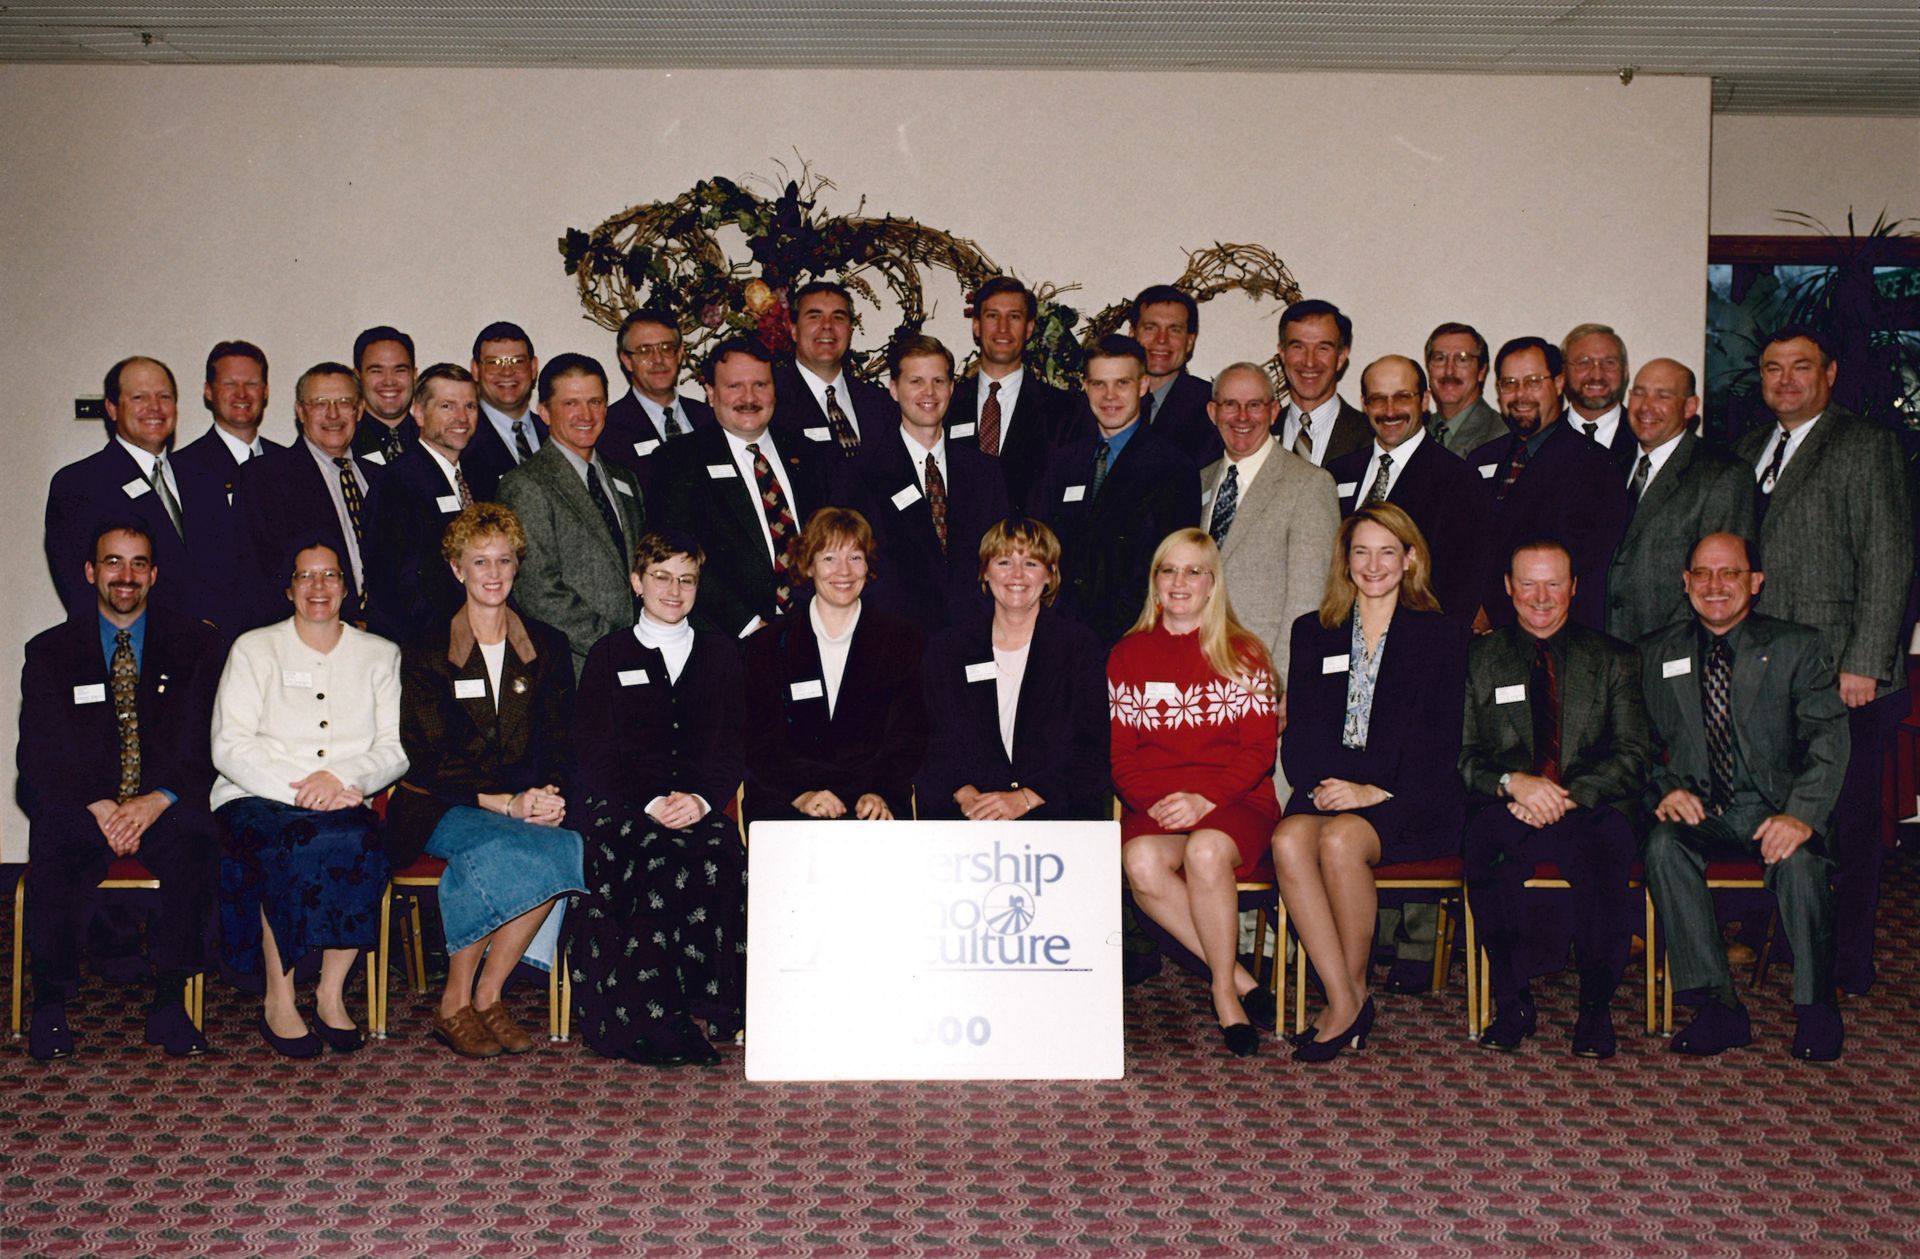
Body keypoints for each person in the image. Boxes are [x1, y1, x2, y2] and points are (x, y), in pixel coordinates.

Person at [1732, 324, 1914, 995]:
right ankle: (1785, 939)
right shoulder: (1752, 448)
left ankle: (1847, 962)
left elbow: (1889, 559)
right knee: (1786, 807)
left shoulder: (1866, 446)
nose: (1785, 380)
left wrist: (1866, 660)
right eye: (1773, 368)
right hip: (1770, 670)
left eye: (1800, 366)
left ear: (1830, 373)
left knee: (1851, 822)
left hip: (1846, 671)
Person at [18, 523, 224, 1060]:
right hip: (84, 802)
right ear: (91, 572)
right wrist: (102, 805)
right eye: (113, 562)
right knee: (53, 849)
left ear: (154, 575)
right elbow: (38, 754)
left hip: (164, 801)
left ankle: (169, 1001)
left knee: (199, 846)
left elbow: (206, 742)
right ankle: (51, 1006)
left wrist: (156, 800)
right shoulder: (49, 652)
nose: (125, 576)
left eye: (138, 564)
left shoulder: (197, 645)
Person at [1639, 533, 1850, 1060]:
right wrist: (1665, 791)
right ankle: (1718, 1007)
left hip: (1776, 808)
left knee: (1800, 863)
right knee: (1663, 846)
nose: (1715, 586)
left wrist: (1800, 815)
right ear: (1685, 582)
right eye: (1702, 574)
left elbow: (1828, 736)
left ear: (1755, 582)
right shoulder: (1653, 652)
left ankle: (1816, 1007)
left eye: (1729, 573)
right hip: (1699, 811)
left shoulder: (1797, 647)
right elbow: (1632, 744)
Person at [388, 502, 585, 1058]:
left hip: (520, 803)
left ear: (517, 566)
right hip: (441, 802)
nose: (493, 574)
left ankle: (490, 995)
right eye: (480, 562)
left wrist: (548, 793)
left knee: (565, 845)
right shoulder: (427, 649)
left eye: (503, 560)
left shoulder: (546, 645)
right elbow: (428, 755)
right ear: (458, 570)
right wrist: (507, 803)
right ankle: (454, 1001)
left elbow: (559, 738)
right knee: (501, 848)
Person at [1270, 504, 1467, 1061]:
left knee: (1339, 840)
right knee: (1288, 839)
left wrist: (1372, 791)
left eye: (1387, 551)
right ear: (1345, 561)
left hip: (1411, 797)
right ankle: (1347, 996)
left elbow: (1441, 739)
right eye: (1361, 552)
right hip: (1328, 787)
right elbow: (1302, 731)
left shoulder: (1440, 635)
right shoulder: (1314, 632)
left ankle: (1343, 1007)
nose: (1373, 564)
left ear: (1409, 560)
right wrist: (1325, 785)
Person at [211, 539, 408, 1058]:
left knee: (362, 841)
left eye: (330, 575)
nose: (318, 587)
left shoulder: (381, 654)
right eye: (306, 577)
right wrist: (302, 791)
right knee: (294, 844)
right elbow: (229, 745)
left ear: (347, 587)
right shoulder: (254, 648)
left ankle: (329, 994)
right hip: (255, 795)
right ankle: (280, 998)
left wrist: (343, 779)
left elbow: (395, 748)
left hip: (344, 798)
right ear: (288, 588)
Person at [1460, 539, 1648, 1059]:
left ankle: (1595, 1008)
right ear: (1507, 588)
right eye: (1527, 583)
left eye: (1553, 584)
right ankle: (1513, 1001)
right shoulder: (1478, 658)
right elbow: (1461, 756)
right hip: (1508, 803)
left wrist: (1564, 796)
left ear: (1574, 588)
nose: (1540, 597)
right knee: (1486, 847)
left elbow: (1634, 755)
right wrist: (1512, 784)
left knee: (1607, 849)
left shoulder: (1614, 659)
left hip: (1587, 804)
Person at [569, 529, 749, 1066]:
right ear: (636, 583)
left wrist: (699, 799)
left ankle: (715, 1001)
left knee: (721, 852)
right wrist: (650, 802)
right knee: (651, 858)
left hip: (698, 803)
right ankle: (652, 1018)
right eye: (662, 578)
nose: (674, 590)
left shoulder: (720, 654)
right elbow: (594, 752)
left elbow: (734, 744)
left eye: (686, 579)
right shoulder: (608, 655)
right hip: (623, 805)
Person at [1110, 529, 1282, 1056]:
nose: (1179, 582)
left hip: (1235, 803)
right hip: (1158, 808)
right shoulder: (1127, 654)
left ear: (1212, 585)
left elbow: (1259, 753)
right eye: (1168, 570)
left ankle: (1223, 993)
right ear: (1155, 583)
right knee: (1138, 859)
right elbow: (1122, 758)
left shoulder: (1244, 652)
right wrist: (1163, 806)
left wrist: (1205, 801)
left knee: (1206, 849)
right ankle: (1240, 977)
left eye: (1193, 571)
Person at [917, 518, 1110, 822]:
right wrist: (967, 796)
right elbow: (931, 739)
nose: (1017, 575)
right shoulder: (948, 650)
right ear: (985, 572)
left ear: (1050, 575)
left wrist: (1024, 800)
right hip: (968, 817)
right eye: (1004, 561)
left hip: (1054, 815)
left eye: (1031, 563)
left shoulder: (1079, 648)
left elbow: (1091, 747)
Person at [742, 508, 927, 823]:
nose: (844, 571)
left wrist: (880, 793)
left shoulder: (902, 641)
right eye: (829, 558)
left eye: (855, 557)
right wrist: (802, 795)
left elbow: (908, 735)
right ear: (809, 565)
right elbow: (759, 741)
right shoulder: (767, 645)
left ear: (868, 566)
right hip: (788, 802)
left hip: (871, 804)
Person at [652, 337, 832, 640]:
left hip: (816, 631)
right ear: (710, 393)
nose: (749, 397)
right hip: (731, 642)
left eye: (760, 385)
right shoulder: (679, 461)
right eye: (734, 386)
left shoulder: (812, 457)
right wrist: (752, 628)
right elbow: (679, 556)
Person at [831, 333, 1009, 638]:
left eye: (939, 381)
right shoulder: (861, 475)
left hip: (976, 638)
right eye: (916, 381)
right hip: (896, 645)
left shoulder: (985, 472)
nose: (929, 392)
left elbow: (1002, 557)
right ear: (894, 390)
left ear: (952, 388)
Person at [1039, 335, 1201, 646]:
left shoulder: (1173, 469)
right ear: (1085, 386)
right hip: (1060, 637)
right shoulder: (1062, 463)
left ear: (1143, 386)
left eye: (1122, 383)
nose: (1109, 396)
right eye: (1099, 384)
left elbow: (1166, 569)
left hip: (1132, 639)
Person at [1465, 337, 1630, 633]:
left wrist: (1491, 611)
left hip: (1550, 636)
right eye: (1509, 383)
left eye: (1532, 382)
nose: (1520, 395)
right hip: (1478, 644)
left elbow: (1580, 565)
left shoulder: (1593, 465)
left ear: (1558, 383)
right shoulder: (1482, 458)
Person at [495, 353, 647, 675]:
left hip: (638, 660)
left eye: (595, 401)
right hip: (578, 670)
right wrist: (614, 645)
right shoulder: (526, 485)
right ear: (545, 413)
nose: (586, 415)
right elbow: (538, 591)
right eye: (571, 404)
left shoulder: (624, 478)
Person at [1199, 361, 1338, 701]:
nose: (1242, 417)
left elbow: (1309, 603)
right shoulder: (1199, 482)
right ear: (1212, 412)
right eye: (1230, 404)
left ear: (1274, 410)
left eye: (1255, 405)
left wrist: (1280, 686)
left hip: (1261, 684)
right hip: (1195, 680)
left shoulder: (1309, 484)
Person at [45, 356, 212, 622]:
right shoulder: (79, 484)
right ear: (112, 408)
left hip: (211, 652)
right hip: (132, 651)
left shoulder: (203, 479)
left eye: (164, 397)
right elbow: (81, 590)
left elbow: (228, 570)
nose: (155, 407)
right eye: (139, 398)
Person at [1328, 354, 1489, 623]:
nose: (1390, 411)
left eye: (1402, 397)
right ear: (1364, 405)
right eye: (1378, 399)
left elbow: (1462, 585)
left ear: (1424, 401)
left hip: (1417, 641)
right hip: (1342, 632)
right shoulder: (1338, 472)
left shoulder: (1457, 479)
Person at [1604, 358, 1755, 643]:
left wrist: (1675, 651)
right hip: (1605, 651)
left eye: (1663, 395)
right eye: (1639, 393)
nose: (1646, 406)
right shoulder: (1609, 468)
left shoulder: (1722, 475)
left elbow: (1723, 583)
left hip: (1676, 652)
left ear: (1689, 407)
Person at [233, 362, 384, 630]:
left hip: (385, 638)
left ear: (359, 410)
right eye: (320, 403)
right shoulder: (265, 478)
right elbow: (258, 577)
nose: (333, 414)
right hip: (308, 635)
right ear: (301, 411)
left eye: (344, 402)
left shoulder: (382, 478)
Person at [365, 364, 489, 643]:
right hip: (428, 647)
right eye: (447, 406)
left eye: (470, 406)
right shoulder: (396, 483)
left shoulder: (479, 479)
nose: (461, 418)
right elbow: (392, 585)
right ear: (418, 413)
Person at [946, 276, 1085, 517]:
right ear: (976, 326)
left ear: (1029, 327)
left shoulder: (1064, 411)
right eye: (992, 316)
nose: (1003, 328)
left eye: (1014, 316)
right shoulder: (946, 406)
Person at [172, 341, 280, 635]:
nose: (242, 394)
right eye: (230, 384)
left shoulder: (290, 464)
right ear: (208, 391)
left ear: (266, 391)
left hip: (285, 633)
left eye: (252, 384)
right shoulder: (180, 470)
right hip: (213, 635)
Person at [770, 281, 894, 458]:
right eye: (814, 316)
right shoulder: (771, 402)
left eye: (838, 317)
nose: (827, 325)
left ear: (850, 331)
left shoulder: (881, 404)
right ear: (794, 330)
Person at [601, 308, 714, 498]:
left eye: (666, 348)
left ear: (679, 355)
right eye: (644, 351)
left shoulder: (710, 418)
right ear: (627, 360)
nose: (658, 360)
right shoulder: (608, 428)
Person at [1128, 284, 1223, 468]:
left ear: (1189, 342)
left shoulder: (1213, 408)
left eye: (1174, 329)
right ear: (1132, 334)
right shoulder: (1101, 402)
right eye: (1150, 328)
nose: (1161, 339)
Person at [1271, 300, 1369, 467]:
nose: (1310, 362)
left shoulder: (1370, 436)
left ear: (1340, 357)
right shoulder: (1261, 432)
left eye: (1323, 348)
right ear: (1282, 353)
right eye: (1298, 347)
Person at [463, 321, 548, 492]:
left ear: (533, 368)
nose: (507, 372)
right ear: (475, 369)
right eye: (494, 362)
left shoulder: (555, 434)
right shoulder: (462, 439)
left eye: (517, 361)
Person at [1559, 323, 1636, 470]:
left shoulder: (1647, 438)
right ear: (1563, 372)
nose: (1597, 375)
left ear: (1625, 372)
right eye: (1584, 363)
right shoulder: (1540, 440)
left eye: (1609, 363)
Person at [1424, 322, 1506, 456]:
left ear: (1481, 371)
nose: (1449, 371)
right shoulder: (1415, 433)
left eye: (1462, 359)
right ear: (1428, 368)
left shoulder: (1501, 435)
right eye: (1439, 358)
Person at [351, 326, 418, 466]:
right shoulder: (343, 444)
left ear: (414, 376)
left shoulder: (437, 441)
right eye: (376, 371)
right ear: (357, 378)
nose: (389, 381)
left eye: (400, 370)